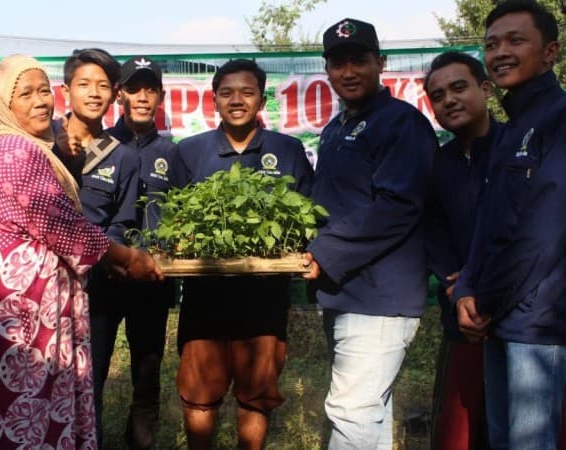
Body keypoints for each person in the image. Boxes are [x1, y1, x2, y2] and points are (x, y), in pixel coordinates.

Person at [0, 54, 161, 450]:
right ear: (2, 102)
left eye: (43, 91)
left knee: (15, 418)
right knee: (25, 418)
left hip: (9, 317)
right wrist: (130, 259)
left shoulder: (14, 149)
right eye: (25, 93)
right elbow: (65, 228)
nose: (40, 101)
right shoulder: (19, 151)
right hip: (17, 320)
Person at [451, 1, 566, 448]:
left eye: (516, 41)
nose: (500, 52)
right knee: (503, 441)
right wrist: (466, 291)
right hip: (497, 315)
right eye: (492, 43)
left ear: (551, 51)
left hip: (538, 319)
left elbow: (549, 231)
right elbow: (487, 224)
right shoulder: (512, 128)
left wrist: (487, 299)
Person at [302, 18, 438, 449]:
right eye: (338, 62)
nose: (348, 71)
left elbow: (398, 205)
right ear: (327, 70)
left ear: (381, 63)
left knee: (351, 412)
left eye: (359, 60)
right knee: (370, 415)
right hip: (346, 290)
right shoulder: (336, 128)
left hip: (379, 298)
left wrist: (326, 250)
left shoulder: (401, 123)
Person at [172, 59, 313, 450]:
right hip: (205, 299)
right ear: (214, 99)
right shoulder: (191, 151)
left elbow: (306, 214)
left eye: (247, 92)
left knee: (257, 393)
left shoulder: (287, 149)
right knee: (200, 391)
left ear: (261, 99)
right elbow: (173, 218)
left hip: (265, 298)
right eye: (227, 92)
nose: (237, 100)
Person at [51, 48, 142, 446]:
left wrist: (104, 255)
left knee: (90, 387)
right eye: (83, 84)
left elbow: (122, 223)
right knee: (42, 383)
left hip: (95, 293)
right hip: (41, 293)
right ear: (65, 90)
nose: (93, 93)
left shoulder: (123, 157)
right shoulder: (41, 141)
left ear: (115, 94)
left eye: (103, 85)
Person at [97, 55, 177, 449]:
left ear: (160, 96)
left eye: (150, 89)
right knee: (91, 371)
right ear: (120, 95)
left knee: (147, 370)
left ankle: (140, 441)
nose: (142, 97)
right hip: (104, 276)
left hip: (152, 280)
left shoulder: (173, 152)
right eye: (134, 88)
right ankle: (85, 438)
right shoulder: (100, 148)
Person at [423, 51, 498, 450]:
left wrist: (482, 285)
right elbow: (434, 231)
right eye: (437, 96)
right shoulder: (439, 162)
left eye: (458, 88)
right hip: (461, 315)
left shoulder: (515, 149)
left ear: (485, 88)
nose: (449, 100)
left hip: (514, 313)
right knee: (458, 432)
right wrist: (457, 286)